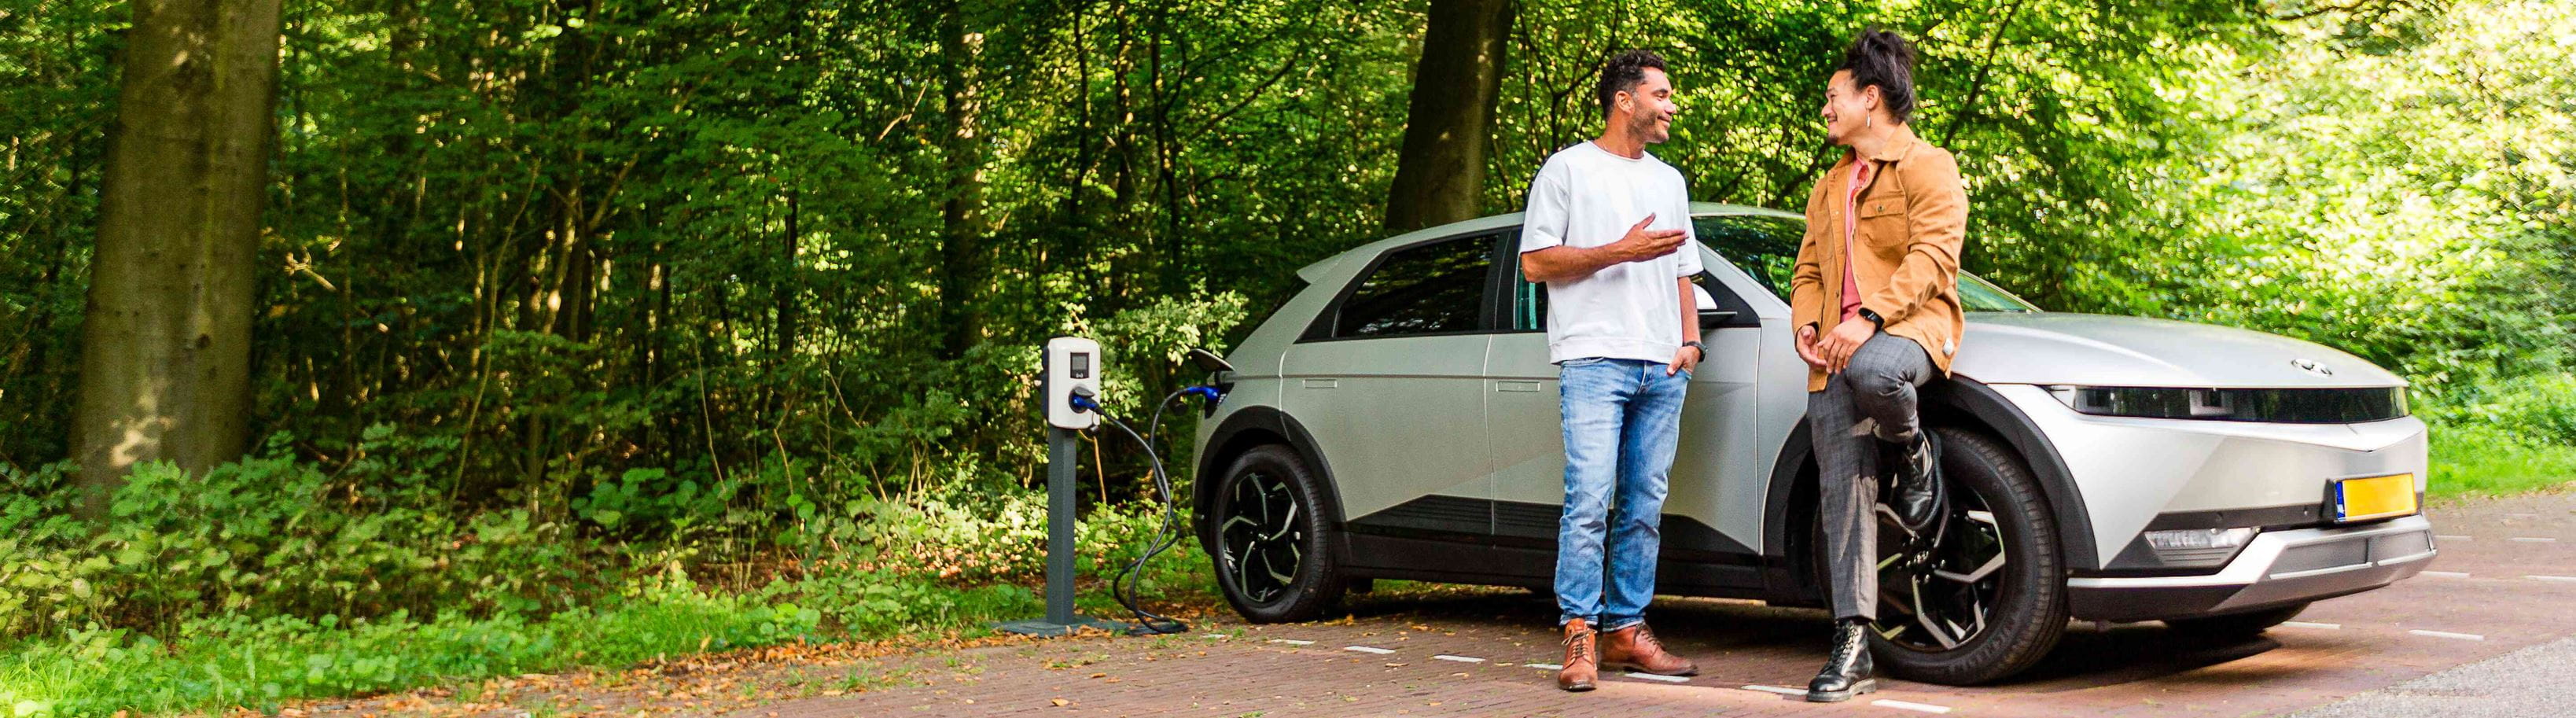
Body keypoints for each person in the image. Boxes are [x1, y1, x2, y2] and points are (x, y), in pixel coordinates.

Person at [1787, 28, 1969, 703]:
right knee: (1842, 490)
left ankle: (1916, 451)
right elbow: (1808, 269)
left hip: (1907, 332)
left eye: (1833, 96)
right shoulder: (1828, 186)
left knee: (1875, 373)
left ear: (1870, 98)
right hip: (1833, 353)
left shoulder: (1927, 164)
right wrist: (1807, 325)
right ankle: (1854, 640)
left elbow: (1934, 257)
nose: (1825, 108)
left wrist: (1866, 319)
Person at [1517, 48, 1705, 693]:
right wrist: (1617, 250)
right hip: (1594, 358)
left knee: (1644, 505)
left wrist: (1691, 344)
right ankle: (1579, 633)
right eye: (1663, 94)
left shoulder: (1669, 181)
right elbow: (1535, 263)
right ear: (1626, 100)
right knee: (1590, 500)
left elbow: (1684, 269)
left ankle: (1627, 628)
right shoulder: (1568, 169)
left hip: (1662, 365)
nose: (1671, 106)